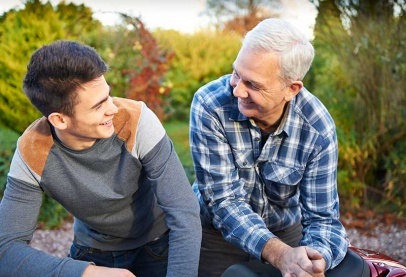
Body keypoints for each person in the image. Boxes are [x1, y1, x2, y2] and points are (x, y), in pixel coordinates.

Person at [0, 40, 201, 277]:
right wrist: (86, 273)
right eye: (98, 106)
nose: (112, 108)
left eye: (108, 96)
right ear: (59, 120)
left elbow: (184, 212)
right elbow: (6, 249)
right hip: (93, 253)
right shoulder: (33, 150)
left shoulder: (136, 121)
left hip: (159, 245)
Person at [189, 18, 349, 276]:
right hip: (214, 236)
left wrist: (315, 259)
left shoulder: (317, 128)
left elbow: (322, 218)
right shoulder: (210, 105)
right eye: (236, 73)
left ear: (291, 89)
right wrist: (280, 254)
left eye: (252, 84)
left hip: (285, 232)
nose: (238, 90)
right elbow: (223, 200)